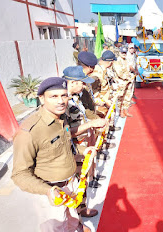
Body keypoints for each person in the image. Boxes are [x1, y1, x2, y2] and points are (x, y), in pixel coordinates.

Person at [12, 77, 91, 232]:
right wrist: (48, 191)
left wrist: (83, 151)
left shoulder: (62, 118)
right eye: (54, 97)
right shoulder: (30, 131)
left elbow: (65, 146)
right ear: (41, 99)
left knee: (73, 223)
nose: (61, 101)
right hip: (50, 193)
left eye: (64, 95)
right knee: (57, 227)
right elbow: (19, 174)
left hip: (70, 185)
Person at [63, 66, 108, 218]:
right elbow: (66, 133)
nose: (84, 86)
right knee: (75, 182)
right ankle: (78, 213)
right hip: (72, 149)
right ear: (73, 82)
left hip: (81, 146)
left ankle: (81, 209)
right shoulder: (64, 104)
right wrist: (90, 125)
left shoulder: (74, 98)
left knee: (81, 178)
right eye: (82, 83)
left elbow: (84, 114)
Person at [113, 46, 135, 117]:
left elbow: (129, 68)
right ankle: (121, 112)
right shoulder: (117, 61)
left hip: (128, 82)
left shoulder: (126, 60)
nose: (124, 54)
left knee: (127, 97)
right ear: (119, 53)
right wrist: (128, 78)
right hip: (121, 82)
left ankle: (126, 111)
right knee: (120, 98)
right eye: (122, 52)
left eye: (125, 52)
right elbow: (120, 73)